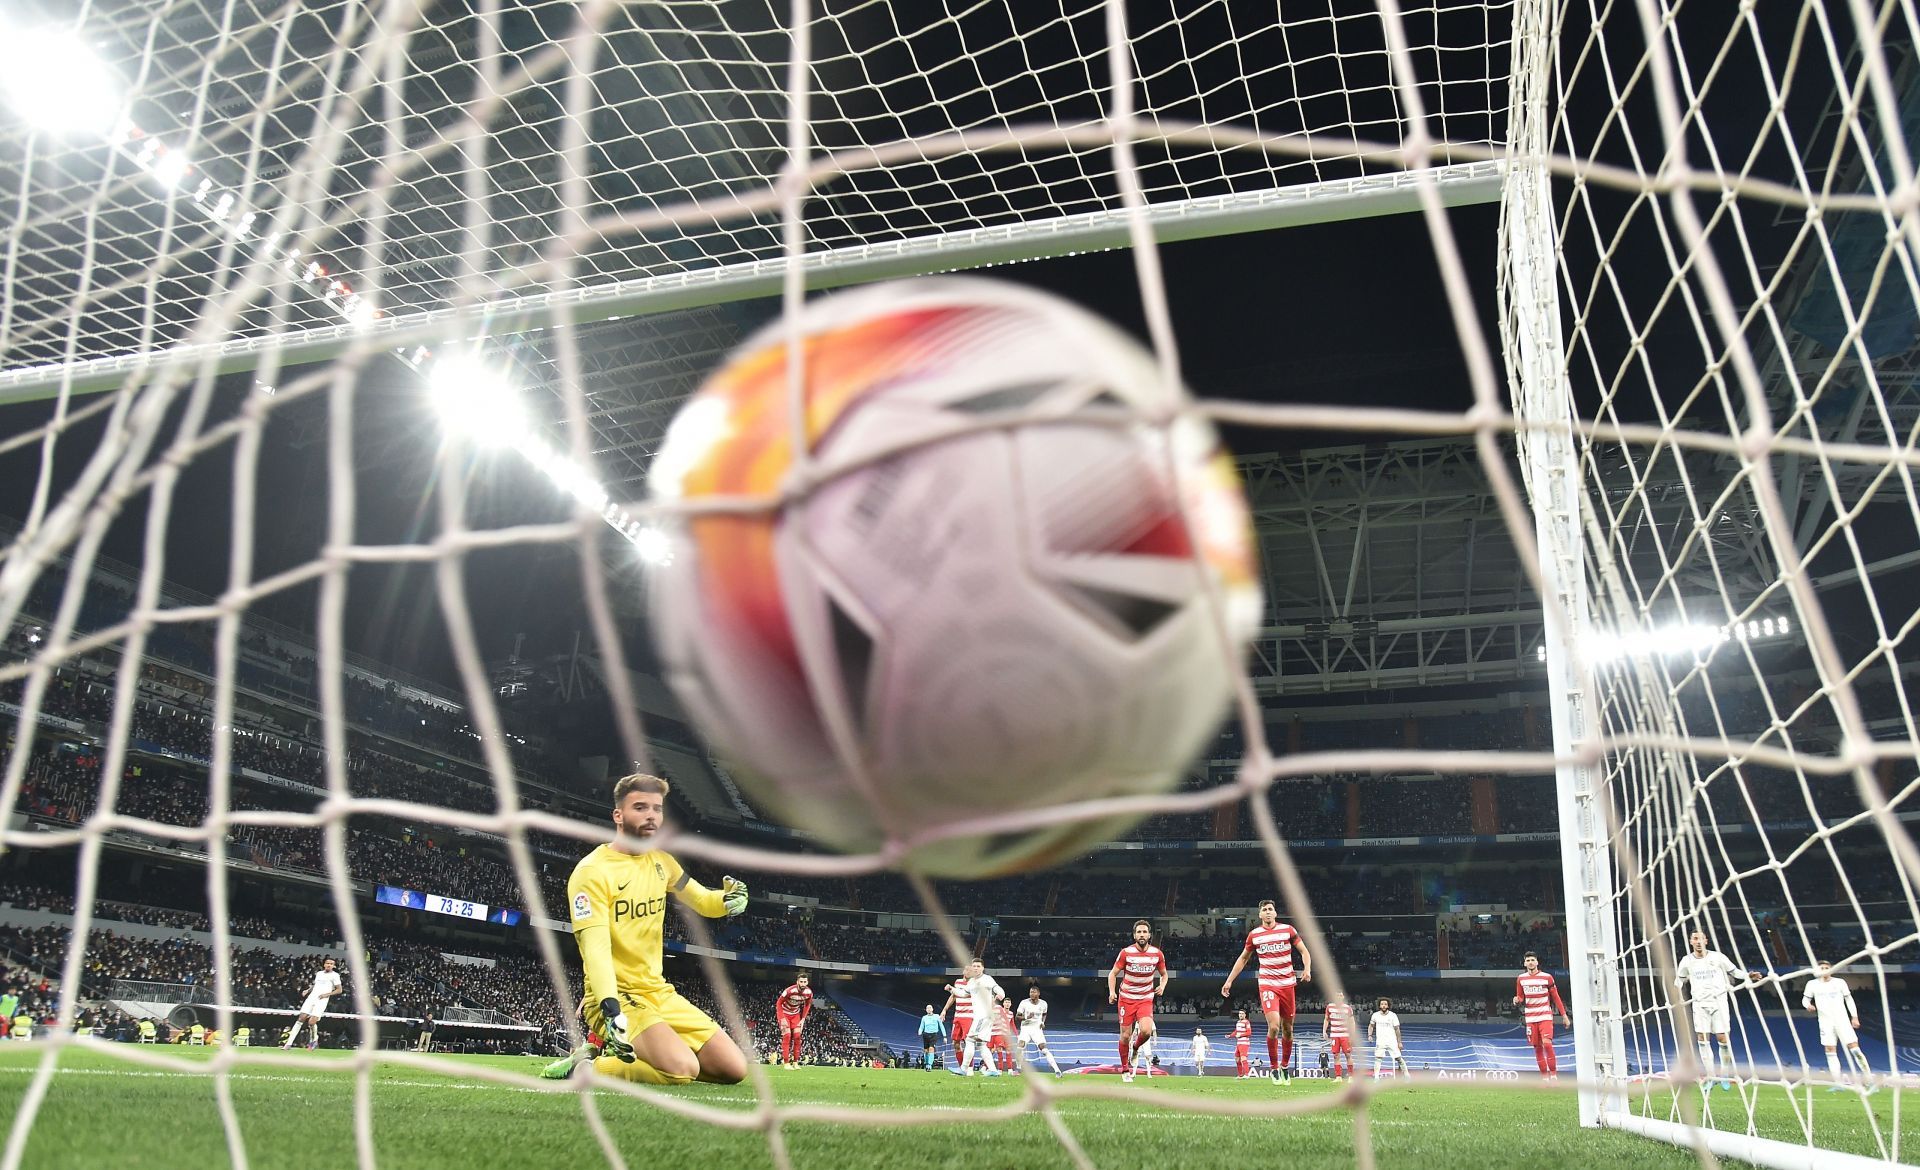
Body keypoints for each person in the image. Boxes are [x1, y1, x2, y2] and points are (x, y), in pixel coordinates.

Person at [538, 773, 750, 1084]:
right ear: (618, 815)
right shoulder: (592, 873)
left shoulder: (662, 862)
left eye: (657, 808)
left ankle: (614, 1056)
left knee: (733, 1069)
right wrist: (609, 1006)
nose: (651, 816)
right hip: (616, 996)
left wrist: (727, 901)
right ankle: (588, 1069)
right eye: (640, 807)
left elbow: (702, 900)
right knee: (682, 1070)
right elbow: (595, 949)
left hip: (658, 992)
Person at [1219, 899, 1312, 1084]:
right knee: (1275, 1026)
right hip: (1268, 984)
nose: (1268, 912)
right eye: (1264, 910)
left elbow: (1304, 951)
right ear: (1260, 915)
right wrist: (1229, 981)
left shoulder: (1288, 930)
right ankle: (1274, 1068)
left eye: (1271, 909)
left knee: (1288, 1029)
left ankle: (1285, 1068)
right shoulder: (1254, 935)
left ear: (1275, 913)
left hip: (1287, 984)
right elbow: (1243, 958)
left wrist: (1307, 968)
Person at [1674, 930, 1758, 1092]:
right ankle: (1710, 1076)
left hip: (1719, 1002)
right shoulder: (1686, 961)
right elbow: (1679, 980)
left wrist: (1748, 975)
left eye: (1701, 938)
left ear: (1706, 941)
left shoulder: (1718, 957)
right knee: (1702, 1037)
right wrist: (1677, 994)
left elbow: (1734, 972)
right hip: (1699, 1004)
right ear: (1691, 942)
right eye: (1695, 939)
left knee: (1722, 1037)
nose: (1698, 941)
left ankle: (1724, 1076)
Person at [1108, 919, 1168, 1083]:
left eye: (1144, 932)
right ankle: (1125, 1070)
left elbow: (1164, 975)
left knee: (1146, 1031)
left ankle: (1135, 1049)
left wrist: (1162, 986)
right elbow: (1112, 974)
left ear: (1149, 935)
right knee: (1125, 1036)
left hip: (1145, 999)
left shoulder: (1157, 954)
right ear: (1134, 935)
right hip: (1126, 998)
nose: (1142, 935)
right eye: (1139, 932)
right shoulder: (1126, 953)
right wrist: (1112, 992)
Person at [1802, 961, 1875, 1092]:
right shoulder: (1812, 984)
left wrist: (1854, 1016)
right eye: (1821, 968)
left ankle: (1869, 1080)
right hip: (1825, 1022)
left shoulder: (1839, 982)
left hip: (1842, 1021)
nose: (1824, 970)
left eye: (1826, 968)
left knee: (1855, 1049)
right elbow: (1805, 999)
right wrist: (1808, 1005)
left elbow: (1849, 999)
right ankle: (1838, 1083)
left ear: (1831, 970)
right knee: (1830, 1051)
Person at [1513, 952, 1570, 1082]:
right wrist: (1516, 1000)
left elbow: (1556, 997)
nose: (1530, 962)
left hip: (1545, 1015)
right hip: (1530, 1018)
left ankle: (1554, 1076)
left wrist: (1564, 1016)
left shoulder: (1547, 977)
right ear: (1524, 963)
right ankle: (1545, 1078)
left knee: (1547, 1044)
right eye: (1528, 960)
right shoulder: (1521, 979)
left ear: (1537, 962)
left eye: (1533, 960)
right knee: (1537, 1047)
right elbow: (1521, 997)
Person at [955, 960, 1006, 1076]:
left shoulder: (987, 979)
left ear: (982, 968)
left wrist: (1000, 994)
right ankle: (993, 1070)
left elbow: (998, 989)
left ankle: (964, 1068)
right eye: (974, 966)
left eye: (978, 966)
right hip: (980, 1016)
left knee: (969, 1040)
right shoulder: (972, 982)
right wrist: (951, 990)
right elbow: (964, 994)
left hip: (984, 1016)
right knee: (981, 1044)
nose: (976, 968)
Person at [282, 956, 343, 1050]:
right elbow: (316, 984)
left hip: (322, 1000)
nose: (329, 965)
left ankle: (314, 1040)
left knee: (311, 1022)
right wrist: (308, 990)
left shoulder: (335, 975)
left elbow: (339, 990)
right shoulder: (319, 973)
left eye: (331, 964)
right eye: (327, 963)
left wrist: (327, 994)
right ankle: (288, 1044)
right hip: (312, 998)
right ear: (324, 964)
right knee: (301, 1018)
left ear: (333, 966)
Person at [1014, 986, 1062, 1076]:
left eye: (1034, 992)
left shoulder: (1043, 1004)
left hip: (1037, 1029)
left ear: (1038, 993)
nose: (1032, 994)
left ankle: (1057, 1071)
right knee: (1020, 1047)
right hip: (1026, 1028)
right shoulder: (1024, 1003)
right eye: (1031, 992)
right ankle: (1018, 1069)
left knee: (1044, 1049)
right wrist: (1026, 1017)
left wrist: (1043, 1022)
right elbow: (1017, 1017)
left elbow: (1044, 1014)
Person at [774, 973, 813, 1070]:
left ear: (807, 982)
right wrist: (782, 1018)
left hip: (795, 1015)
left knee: (797, 1036)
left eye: (805, 982)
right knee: (787, 1036)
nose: (803, 984)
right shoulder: (789, 991)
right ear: (797, 982)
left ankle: (795, 1062)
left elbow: (807, 1005)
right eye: (801, 982)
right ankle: (786, 1063)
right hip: (784, 1014)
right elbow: (778, 1003)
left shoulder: (809, 993)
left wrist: (803, 1019)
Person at [940, 975, 976, 1072]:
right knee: (955, 1043)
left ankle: (970, 1069)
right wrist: (944, 1010)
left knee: (968, 1042)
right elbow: (953, 996)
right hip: (958, 1017)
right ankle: (962, 1069)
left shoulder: (974, 983)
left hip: (969, 1017)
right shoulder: (958, 982)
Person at [1368, 998, 1407, 1079]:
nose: (1384, 1006)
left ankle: (1407, 1076)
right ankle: (1376, 1078)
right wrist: (1370, 1035)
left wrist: (1399, 1042)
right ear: (1379, 1005)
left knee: (1398, 1058)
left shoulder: (1393, 1015)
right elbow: (1371, 1026)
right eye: (1382, 1004)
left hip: (1392, 1041)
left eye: (1385, 1004)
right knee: (1378, 1058)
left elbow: (1397, 1029)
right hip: (1380, 1041)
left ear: (1388, 1005)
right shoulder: (1375, 1015)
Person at [1323, 993, 1354, 1082]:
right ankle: (1338, 1077)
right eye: (1337, 995)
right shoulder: (1330, 1007)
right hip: (1334, 1035)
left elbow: (1352, 1022)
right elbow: (1326, 1019)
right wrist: (1324, 1031)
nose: (1338, 997)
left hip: (1345, 1035)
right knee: (1336, 1056)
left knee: (1348, 1055)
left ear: (1343, 997)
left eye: (1340, 995)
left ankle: (1351, 1077)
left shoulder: (1347, 1008)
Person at [917, 1004, 946, 1071]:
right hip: (926, 1035)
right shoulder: (924, 1017)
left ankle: (929, 1065)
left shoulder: (937, 1016)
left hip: (934, 1035)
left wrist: (944, 1036)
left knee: (931, 1049)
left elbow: (941, 1026)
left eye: (930, 1008)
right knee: (926, 1050)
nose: (929, 1009)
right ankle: (926, 1064)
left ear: (932, 1009)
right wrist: (920, 1031)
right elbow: (921, 1026)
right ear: (926, 1010)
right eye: (927, 1008)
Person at [1232, 1009, 1253, 1078]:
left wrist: (1240, 1035)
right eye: (1239, 1013)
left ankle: (1247, 1074)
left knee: (1243, 1058)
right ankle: (1240, 1074)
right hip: (1238, 1043)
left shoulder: (1246, 1022)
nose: (1240, 1015)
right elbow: (1236, 1031)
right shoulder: (1238, 1022)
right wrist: (1230, 1035)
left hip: (1244, 1043)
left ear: (1245, 1015)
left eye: (1242, 1013)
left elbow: (1249, 1033)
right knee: (1237, 1059)